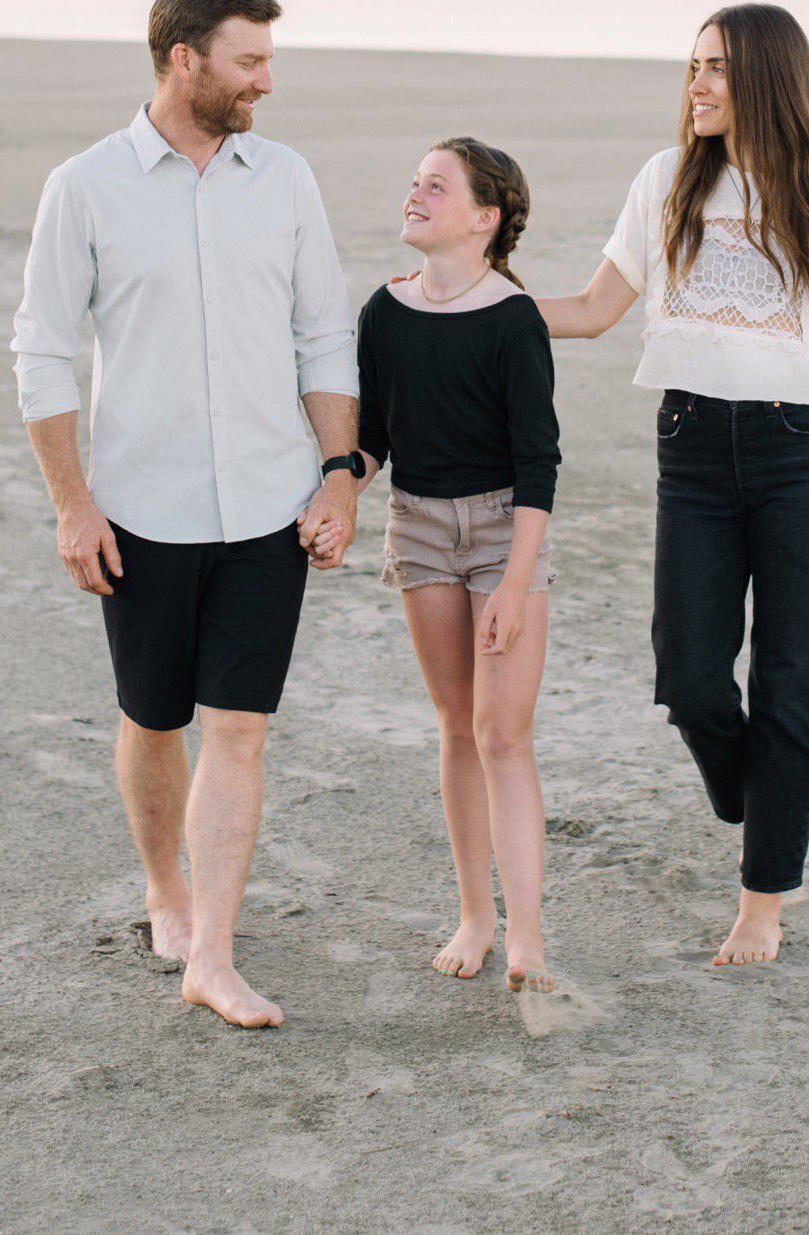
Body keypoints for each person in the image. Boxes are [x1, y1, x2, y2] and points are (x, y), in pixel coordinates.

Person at [536, 5, 809, 967]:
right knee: (687, 672)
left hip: (799, 450)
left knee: (789, 677)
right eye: (693, 67)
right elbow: (593, 310)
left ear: (765, 76)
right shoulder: (666, 181)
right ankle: (755, 796)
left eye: (716, 67)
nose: (698, 84)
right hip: (692, 446)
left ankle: (763, 901)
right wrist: (469, 303)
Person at [11, 0, 364, 1029]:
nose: (267, 80)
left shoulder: (284, 179)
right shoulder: (85, 186)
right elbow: (41, 350)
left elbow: (323, 332)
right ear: (184, 60)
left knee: (241, 726)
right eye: (249, 60)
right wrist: (73, 503)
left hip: (269, 505)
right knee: (154, 717)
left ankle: (212, 949)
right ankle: (164, 887)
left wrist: (340, 469)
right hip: (141, 511)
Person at [329, 137, 560, 993]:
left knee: (504, 731)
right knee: (456, 724)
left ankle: (528, 934)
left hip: (506, 530)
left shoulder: (513, 318)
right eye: (414, 181)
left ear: (485, 217)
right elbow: (374, 435)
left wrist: (512, 579)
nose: (415, 193)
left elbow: (540, 462)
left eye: (437, 184)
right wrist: (337, 491)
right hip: (418, 527)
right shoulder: (383, 311)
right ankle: (476, 914)